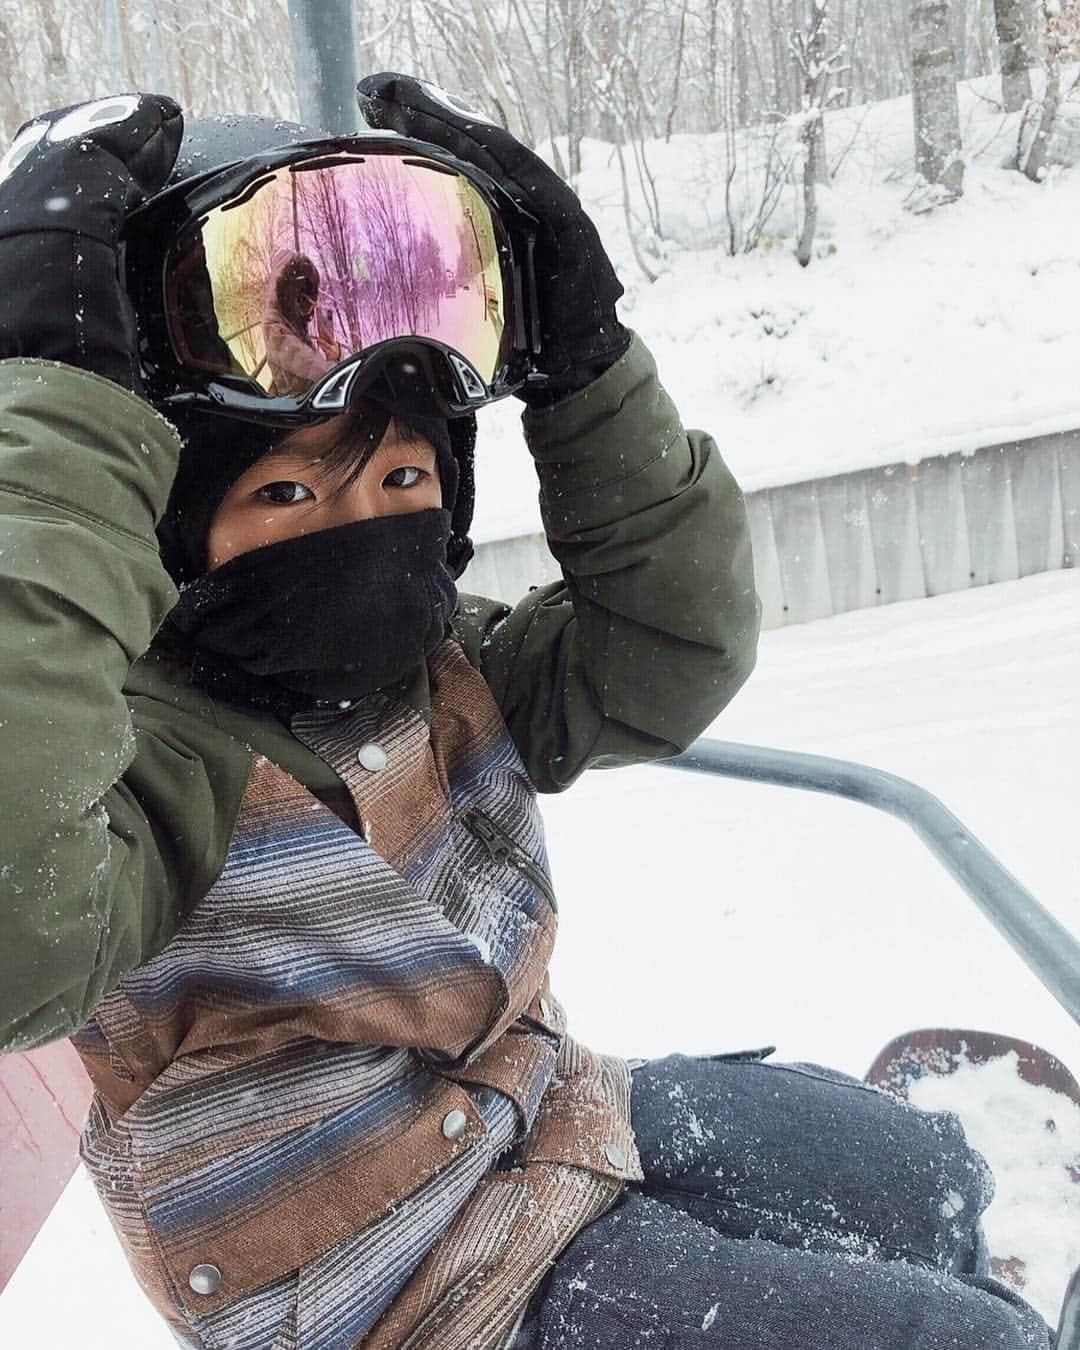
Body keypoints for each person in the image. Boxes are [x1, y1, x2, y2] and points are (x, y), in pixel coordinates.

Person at [0, 81, 1050, 1350]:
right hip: (382, 1282)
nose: (362, 531)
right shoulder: (135, 758)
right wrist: (56, 441)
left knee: (920, 1176)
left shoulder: (438, 664)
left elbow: (667, 648)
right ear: (168, 543)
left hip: (545, 1113)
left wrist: (588, 371)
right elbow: (22, 929)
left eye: (402, 478)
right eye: (285, 493)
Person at [263, 251, 342, 396]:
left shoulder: (287, 314)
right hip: (296, 407)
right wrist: (335, 360)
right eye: (308, 303)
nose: (311, 310)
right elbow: (322, 375)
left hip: (302, 396)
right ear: (294, 298)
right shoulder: (276, 331)